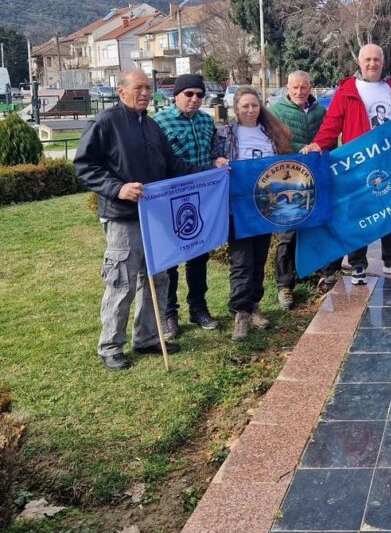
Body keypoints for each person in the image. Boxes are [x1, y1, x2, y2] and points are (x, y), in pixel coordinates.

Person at [74, 69, 195, 370]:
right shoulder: (106, 123)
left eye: (148, 88)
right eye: (138, 88)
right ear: (121, 91)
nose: (145, 93)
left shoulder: (152, 126)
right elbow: (84, 165)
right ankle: (110, 346)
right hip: (123, 217)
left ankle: (148, 337)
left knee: (157, 278)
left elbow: (173, 164)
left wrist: (211, 170)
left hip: (155, 216)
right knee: (122, 282)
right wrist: (118, 188)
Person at [301, 43, 391, 284]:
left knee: (389, 210)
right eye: (367, 60)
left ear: (383, 62)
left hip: (389, 162)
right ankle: (358, 263)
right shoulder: (348, 90)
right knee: (359, 212)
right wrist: (319, 144)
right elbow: (333, 123)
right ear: (360, 63)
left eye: (376, 59)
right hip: (360, 163)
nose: (372, 64)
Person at [213, 86, 293, 341]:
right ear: (236, 108)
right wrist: (217, 162)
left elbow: (285, 161)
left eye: (255, 105)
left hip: (265, 207)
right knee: (241, 260)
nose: (250, 110)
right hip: (238, 208)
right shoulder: (226, 134)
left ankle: (254, 305)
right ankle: (240, 310)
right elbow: (213, 158)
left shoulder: (271, 132)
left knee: (258, 257)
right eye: (245, 106)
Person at [152, 74, 219, 339]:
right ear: (176, 95)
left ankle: (198, 307)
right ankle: (169, 314)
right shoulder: (160, 122)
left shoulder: (206, 121)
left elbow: (213, 152)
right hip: (170, 198)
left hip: (201, 197)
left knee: (198, 255)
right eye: (189, 94)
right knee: (170, 259)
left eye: (199, 95)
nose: (194, 99)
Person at [269, 70, 329, 307]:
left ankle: (322, 273)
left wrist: (318, 147)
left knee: (318, 226)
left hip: (315, 177)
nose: (299, 92)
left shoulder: (320, 112)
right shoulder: (276, 112)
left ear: (310, 87)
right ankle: (284, 285)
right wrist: (301, 148)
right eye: (295, 87)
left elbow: (329, 138)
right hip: (288, 179)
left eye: (303, 87)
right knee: (288, 231)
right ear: (287, 88)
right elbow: (273, 141)